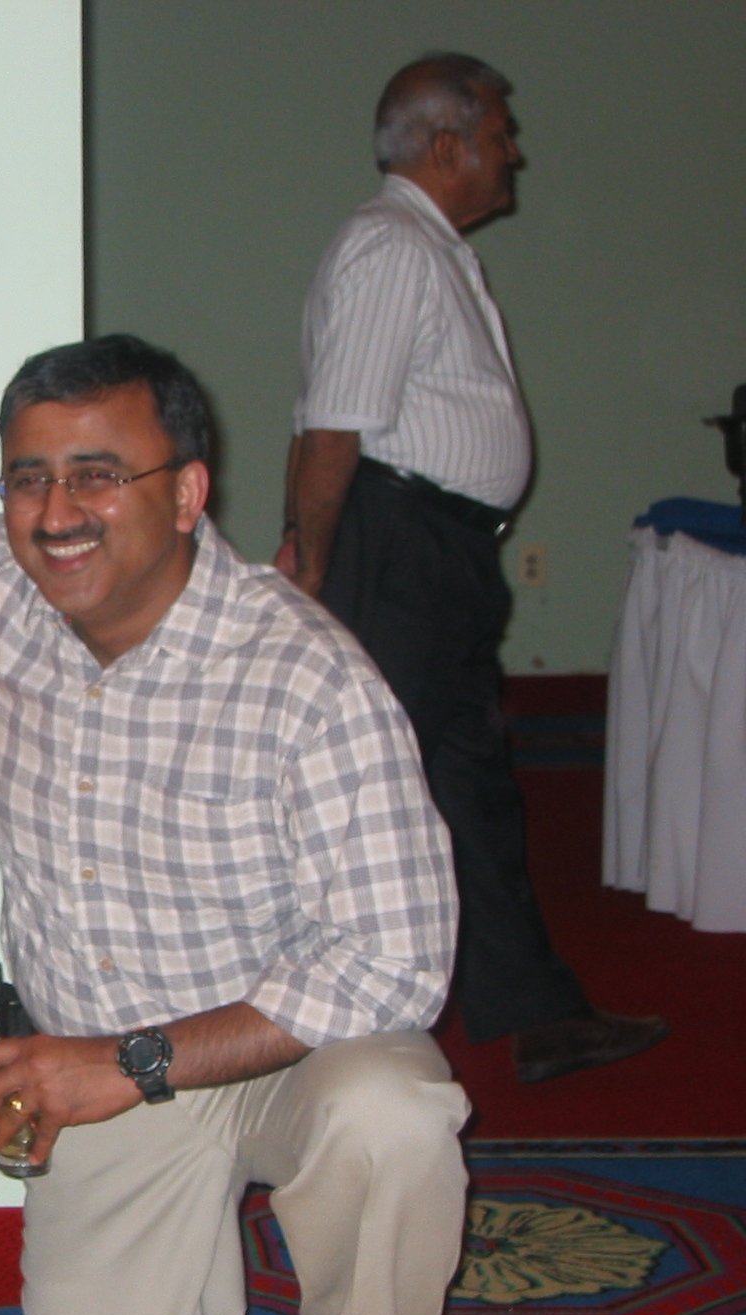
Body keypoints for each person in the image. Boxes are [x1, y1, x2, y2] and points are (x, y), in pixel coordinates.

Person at [0, 335, 466, 1315]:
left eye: (96, 475)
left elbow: (396, 959)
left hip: (288, 1049)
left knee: (393, 1116)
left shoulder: (306, 677)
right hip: (99, 1071)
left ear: (185, 493)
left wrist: (133, 1062)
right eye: (27, 478)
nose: (53, 513)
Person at [276, 52, 665, 1085]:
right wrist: (313, 569)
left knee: (466, 784)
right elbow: (331, 430)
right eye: (499, 133)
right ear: (445, 146)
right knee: (364, 786)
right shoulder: (390, 246)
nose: (514, 152)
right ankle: (283, 1011)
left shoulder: (420, 247)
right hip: (396, 547)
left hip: (430, 551)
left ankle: (536, 1010)